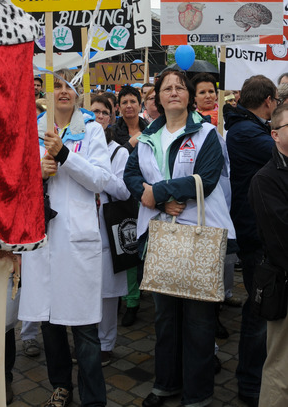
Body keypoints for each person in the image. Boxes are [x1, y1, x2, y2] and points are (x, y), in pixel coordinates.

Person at [124, 70, 235, 407]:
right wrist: (158, 201)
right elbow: (131, 174)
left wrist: (158, 192)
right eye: (167, 88)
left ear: (188, 95)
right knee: (165, 318)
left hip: (197, 236)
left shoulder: (206, 134)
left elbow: (207, 179)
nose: (174, 92)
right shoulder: (148, 136)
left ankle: (197, 394)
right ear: (158, 97)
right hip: (161, 236)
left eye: (180, 87)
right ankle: (166, 384)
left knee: (199, 320)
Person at [19, 69, 110, 407]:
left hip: (76, 241)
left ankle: (93, 397)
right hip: (42, 240)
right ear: (45, 93)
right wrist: (37, 173)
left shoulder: (92, 130)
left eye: (68, 86)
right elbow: (15, 182)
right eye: (55, 86)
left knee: (84, 326)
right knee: (49, 320)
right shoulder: (33, 130)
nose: (62, 92)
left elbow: (100, 179)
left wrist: (65, 156)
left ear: (77, 94)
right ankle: (60, 385)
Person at [224, 74, 278, 407]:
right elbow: (280, 150)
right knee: (258, 309)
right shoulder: (246, 131)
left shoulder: (249, 127)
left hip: (259, 228)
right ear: (269, 101)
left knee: (263, 306)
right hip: (254, 231)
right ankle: (249, 382)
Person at [249, 102, 288, 407]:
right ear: (275, 134)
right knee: (281, 371)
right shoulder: (265, 179)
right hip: (284, 283)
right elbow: (280, 240)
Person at [90, 95, 129, 366]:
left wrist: (100, 177)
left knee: (107, 291)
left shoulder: (119, 152)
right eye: (95, 111)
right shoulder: (80, 145)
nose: (100, 116)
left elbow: (124, 191)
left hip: (107, 223)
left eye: (104, 112)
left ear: (111, 118)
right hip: (84, 223)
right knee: (86, 286)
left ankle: (106, 343)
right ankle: (87, 339)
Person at [112, 85, 146, 327]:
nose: (129, 106)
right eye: (124, 102)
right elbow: (111, 161)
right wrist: (129, 145)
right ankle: (128, 301)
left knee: (143, 250)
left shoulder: (151, 129)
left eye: (133, 101)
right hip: (122, 199)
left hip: (147, 196)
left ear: (140, 104)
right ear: (119, 107)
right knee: (127, 248)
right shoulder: (113, 133)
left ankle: (140, 296)